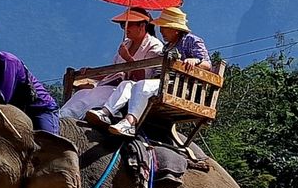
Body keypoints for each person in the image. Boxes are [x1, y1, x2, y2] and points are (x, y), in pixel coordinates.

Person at [89, 7, 211, 138]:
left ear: (175, 29)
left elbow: (207, 64)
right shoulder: (167, 47)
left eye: (164, 27)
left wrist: (195, 61)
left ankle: (130, 123)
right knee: (127, 84)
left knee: (143, 85)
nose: (161, 31)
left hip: (178, 87)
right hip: (162, 83)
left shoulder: (192, 40)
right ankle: (105, 112)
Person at [62, 8, 164, 120]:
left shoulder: (154, 46)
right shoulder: (126, 44)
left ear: (142, 26)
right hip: (113, 85)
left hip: (131, 91)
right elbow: (114, 71)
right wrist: (90, 73)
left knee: (92, 97)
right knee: (81, 94)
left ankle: (70, 116)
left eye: (129, 25)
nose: (125, 29)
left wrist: (128, 58)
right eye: (123, 25)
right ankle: (60, 115)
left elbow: (143, 80)